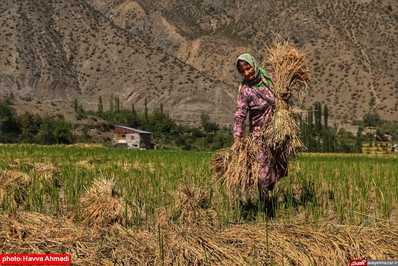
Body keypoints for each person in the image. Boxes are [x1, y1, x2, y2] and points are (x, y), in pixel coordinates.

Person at [233, 53, 290, 209]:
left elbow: (284, 96)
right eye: (242, 71)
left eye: (248, 68)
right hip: (259, 135)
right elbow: (240, 114)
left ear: (254, 65)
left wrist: (286, 95)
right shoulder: (245, 91)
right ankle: (266, 205)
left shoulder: (270, 79)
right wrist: (237, 136)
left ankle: (270, 199)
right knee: (262, 171)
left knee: (276, 168)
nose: (247, 73)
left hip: (278, 131)